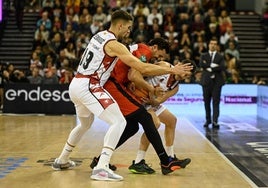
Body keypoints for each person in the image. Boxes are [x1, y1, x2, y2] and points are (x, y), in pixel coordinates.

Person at [52, 10, 192, 182]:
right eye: (128, 27)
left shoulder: (98, 35)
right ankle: (101, 167)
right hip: (91, 85)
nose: (129, 31)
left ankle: (62, 159)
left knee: (85, 124)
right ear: (120, 25)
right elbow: (142, 69)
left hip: (76, 83)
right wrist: (172, 69)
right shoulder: (116, 44)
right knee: (120, 121)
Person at [90, 38, 192, 175]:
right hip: (121, 87)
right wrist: (150, 88)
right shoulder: (148, 54)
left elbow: (155, 99)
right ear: (155, 47)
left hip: (142, 96)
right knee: (149, 121)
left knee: (137, 126)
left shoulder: (174, 86)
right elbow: (136, 74)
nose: (158, 59)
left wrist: (152, 95)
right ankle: (157, 161)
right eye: (160, 55)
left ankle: (101, 159)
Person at [128, 59, 196, 174]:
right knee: (155, 123)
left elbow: (157, 102)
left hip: (149, 101)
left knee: (172, 120)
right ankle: (138, 161)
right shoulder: (164, 66)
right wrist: (145, 88)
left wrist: (153, 96)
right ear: (178, 65)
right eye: (184, 71)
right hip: (137, 97)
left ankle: (170, 157)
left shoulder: (175, 87)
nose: (184, 76)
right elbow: (140, 72)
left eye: (187, 75)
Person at [199, 38, 225, 129]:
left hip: (217, 82)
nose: (213, 45)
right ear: (208, 45)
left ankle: (215, 121)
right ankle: (208, 120)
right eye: (211, 43)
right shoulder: (204, 55)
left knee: (216, 102)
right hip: (206, 82)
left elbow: (222, 67)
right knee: (206, 102)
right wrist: (213, 65)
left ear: (217, 46)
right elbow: (201, 64)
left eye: (215, 44)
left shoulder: (220, 56)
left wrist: (209, 67)